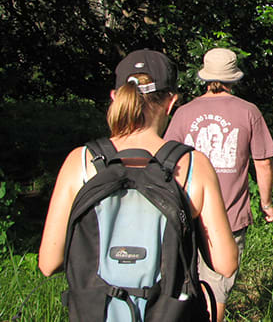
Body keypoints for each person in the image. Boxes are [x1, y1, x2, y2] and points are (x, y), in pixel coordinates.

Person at [38, 49, 238, 300]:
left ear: (115, 97)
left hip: (99, 311)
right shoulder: (192, 165)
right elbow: (226, 264)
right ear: (172, 102)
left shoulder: (79, 161)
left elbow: (48, 263)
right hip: (167, 311)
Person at [164, 47, 273, 321]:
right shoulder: (249, 111)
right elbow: (262, 162)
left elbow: (165, 160)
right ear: (233, 77)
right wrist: (266, 203)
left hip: (185, 213)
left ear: (205, 76)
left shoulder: (183, 113)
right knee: (217, 285)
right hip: (229, 215)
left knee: (182, 279)